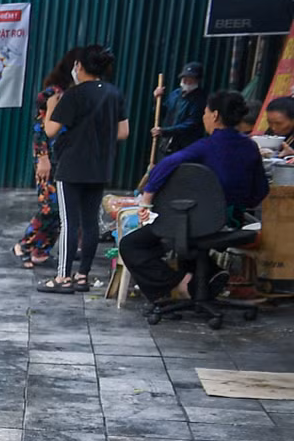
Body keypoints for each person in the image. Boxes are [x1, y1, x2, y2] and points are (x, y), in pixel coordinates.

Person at [119, 90, 268, 303]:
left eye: (205, 112)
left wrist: (147, 198)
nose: (203, 116)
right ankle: (209, 275)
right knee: (187, 240)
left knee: (132, 245)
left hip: (198, 224)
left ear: (215, 115)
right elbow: (260, 192)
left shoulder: (207, 146)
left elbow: (166, 164)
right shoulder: (251, 147)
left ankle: (180, 283)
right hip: (232, 223)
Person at [39, 45, 127, 293]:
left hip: (72, 166)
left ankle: (62, 278)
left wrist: (52, 107)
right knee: (90, 223)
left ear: (80, 66)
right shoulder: (114, 94)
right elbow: (123, 132)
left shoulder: (74, 95)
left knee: (69, 222)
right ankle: (82, 276)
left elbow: (50, 131)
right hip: (100, 166)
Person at [16, 51, 76, 269]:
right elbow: (39, 128)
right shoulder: (51, 94)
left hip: (65, 157)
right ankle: (24, 244)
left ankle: (41, 250)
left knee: (61, 207)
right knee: (49, 207)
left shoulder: (74, 93)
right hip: (47, 157)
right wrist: (42, 157)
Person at [151, 61, 208, 158]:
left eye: (190, 79)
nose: (186, 81)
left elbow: (191, 124)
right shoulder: (175, 94)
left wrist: (165, 131)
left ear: (197, 80)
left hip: (185, 147)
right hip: (166, 144)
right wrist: (157, 99)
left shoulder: (200, 99)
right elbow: (162, 112)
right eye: (184, 78)